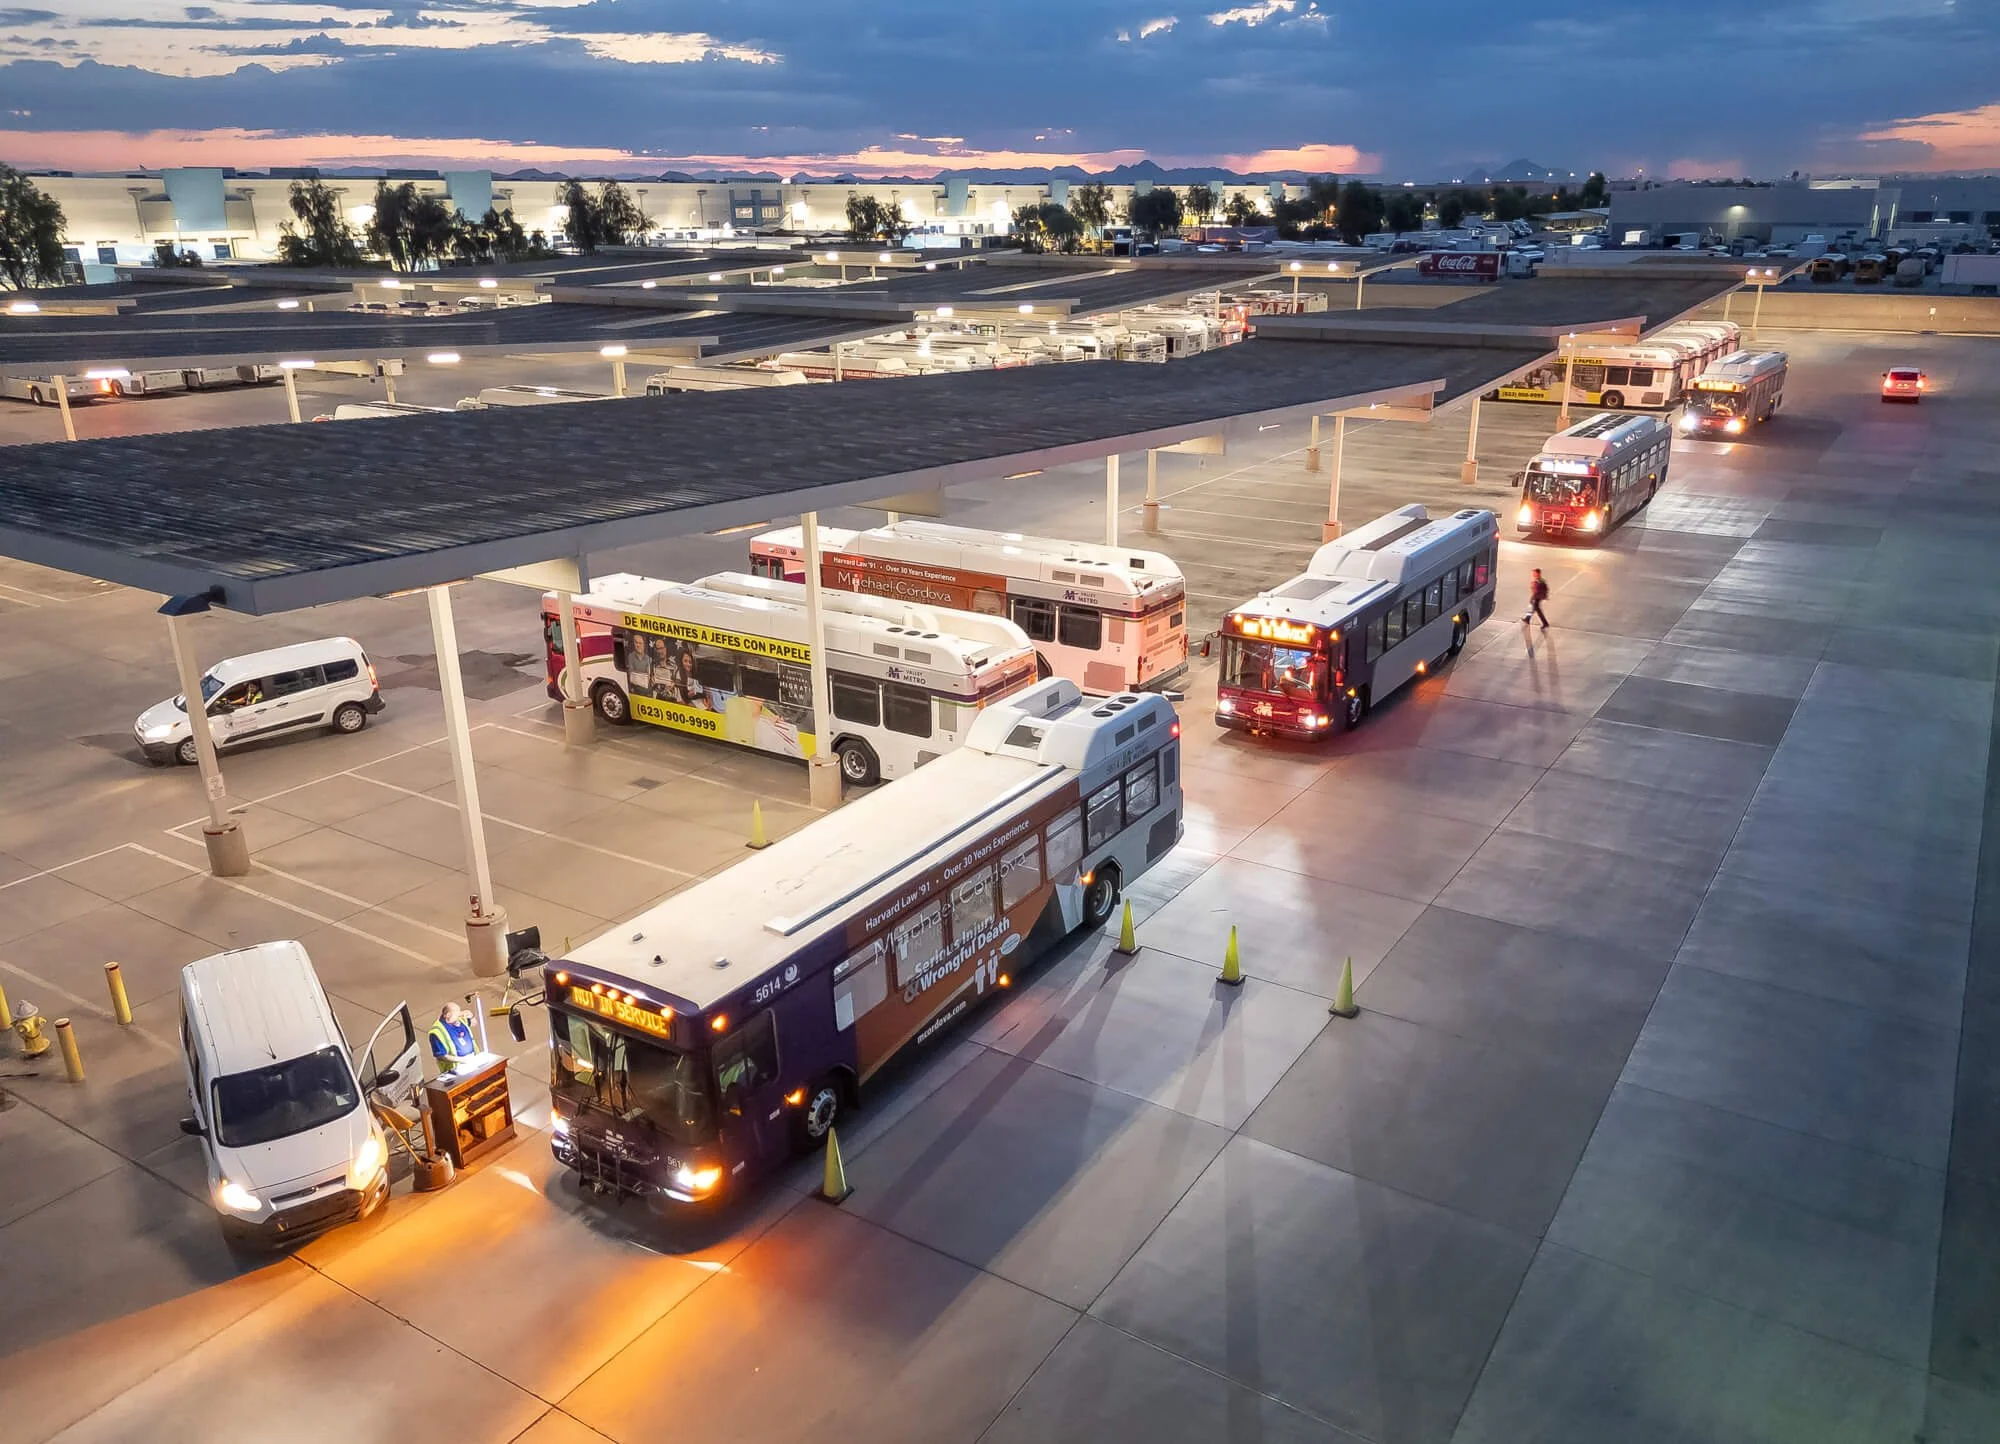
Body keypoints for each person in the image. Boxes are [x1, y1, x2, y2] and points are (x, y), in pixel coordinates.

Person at [428, 1002, 478, 1074]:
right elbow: (441, 1056)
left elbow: (474, 1022)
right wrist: (462, 1060)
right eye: (457, 1014)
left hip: (473, 1061)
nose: (460, 1016)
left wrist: (471, 1015)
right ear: (448, 1015)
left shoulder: (460, 1020)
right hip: (456, 1069)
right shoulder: (437, 1032)